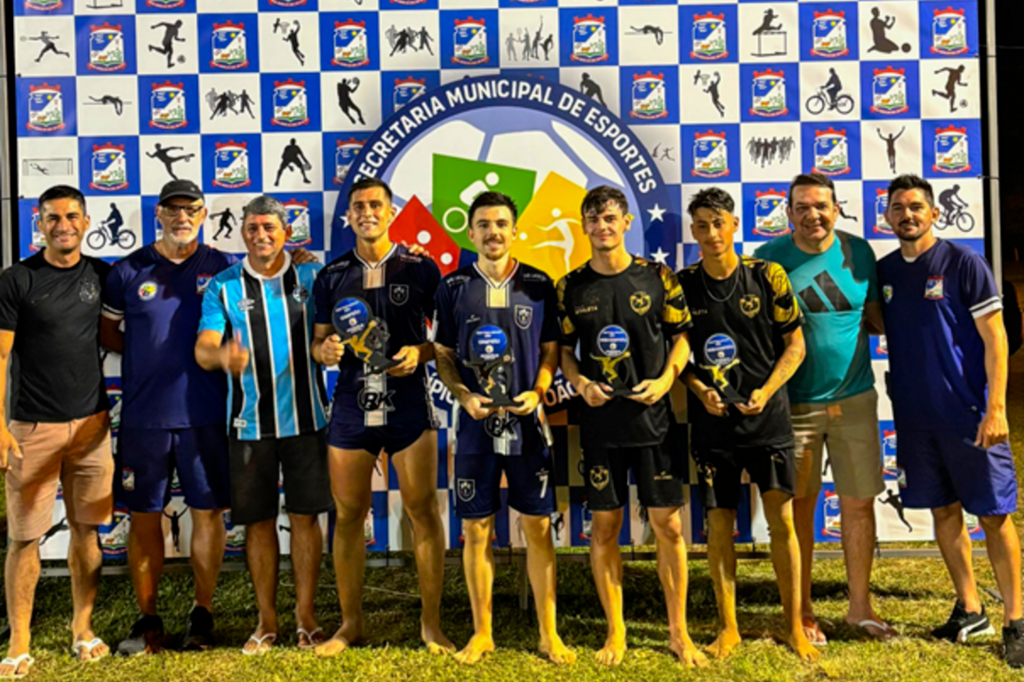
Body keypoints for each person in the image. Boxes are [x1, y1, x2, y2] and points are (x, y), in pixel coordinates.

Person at [556, 186, 704, 668]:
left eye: (610, 218)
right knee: (605, 528)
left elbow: (683, 338)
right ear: (584, 227)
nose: (602, 227)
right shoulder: (571, 286)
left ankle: (678, 634)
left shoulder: (658, 276)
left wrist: (666, 379)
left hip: (655, 422)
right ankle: (615, 633)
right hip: (600, 424)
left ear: (625, 223)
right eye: (593, 219)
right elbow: (563, 352)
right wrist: (578, 382)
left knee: (670, 526)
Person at [878, 174, 1022, 668]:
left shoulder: (964, 263)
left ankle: (1016, 622)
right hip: (917, 421)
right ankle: (970, 607)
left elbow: (996, 339)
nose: (907, 215)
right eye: (898, 208)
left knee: (994, 517)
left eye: (916, 206)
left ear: (934, 213)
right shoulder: (886, 272)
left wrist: (996, 407)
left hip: (970, 416)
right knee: (943, 512)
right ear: (887, 217)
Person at [311, 178, 453, 658]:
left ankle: (430, 624)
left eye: (376, 205)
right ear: (347, 216)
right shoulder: (331, 275)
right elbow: (319, 342)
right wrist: (325, 349)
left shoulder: (420, 267)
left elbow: (447, 340)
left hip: (409, 400)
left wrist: (421, 351)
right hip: (352, 403)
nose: (367, 212)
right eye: (358, 207)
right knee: (349, 514)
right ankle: (351, 624)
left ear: (391, 212)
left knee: (422, 512)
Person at [678, 187, 818, 662]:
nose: (711, 233)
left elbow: (795, 347)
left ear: (735, 225)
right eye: (702, 225)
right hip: (714, 423)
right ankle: (728, 627)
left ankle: (794, 626)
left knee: (782, 522)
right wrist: (701, 391)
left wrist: (767, 389)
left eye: (719, 223)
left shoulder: (767, 275)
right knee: (719, 527)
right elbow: (679, 359)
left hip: (768, 420)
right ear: (693, 231)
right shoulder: (684, 284)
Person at [754, 173, 895, 646]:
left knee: (858, 504)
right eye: (802, 207)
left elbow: (875, 318)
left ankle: (860, 609)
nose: (813, 214)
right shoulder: (769, 258)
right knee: (800, 508)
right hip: (795, 405)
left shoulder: (860, 253)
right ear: (789, 212)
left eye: (822, 206)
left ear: (837, 209)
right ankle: (802, 611)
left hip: (855, 399)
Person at [433, 192, 573, 665]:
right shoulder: (453, 286)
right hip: (474, 427)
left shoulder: (538, 283)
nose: (493, 232)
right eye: (484, 224)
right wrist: (463, 395)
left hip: (527, 425)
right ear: (469, 233)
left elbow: (552, 350)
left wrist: (538, 390)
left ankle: (548, 634)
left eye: (502, 224)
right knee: (476, 529)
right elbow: (445, 355)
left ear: (515, 231)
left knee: (536, 525)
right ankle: (482, 632)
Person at [99, 180, 234, 655]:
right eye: (173, 209)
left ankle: (203, 613)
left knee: (208, 514)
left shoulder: (221, 267)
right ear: (158, 213)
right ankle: (148, 618)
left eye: (191, 209)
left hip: (205, 414)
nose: (182, 217)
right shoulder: (127, 271)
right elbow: (110, 334)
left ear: (203, 214)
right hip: (143, 418)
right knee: (143, 518)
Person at [196, 196, 333, 655]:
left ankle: (307, 617)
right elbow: (203, 347)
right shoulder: (223, 286)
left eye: (270, 228)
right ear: (242, 233)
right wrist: (221, 356)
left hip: (308, 420)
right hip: (249, 424)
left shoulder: (313, 276)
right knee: (257, 524)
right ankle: (267, 621)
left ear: (286, 232)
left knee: (305, 519)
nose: (261, 236)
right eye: (252, 228)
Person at [0, 185, 114, 678]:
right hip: (32, 426)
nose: (63, 224)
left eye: (72, 216)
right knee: (25, 538)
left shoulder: (104, 275)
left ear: (87, 222)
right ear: (38, 224)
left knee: (87, 531)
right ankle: (19, 641)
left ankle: (82, 628)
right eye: (52, 218)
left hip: (92, 425)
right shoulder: (16, 279)